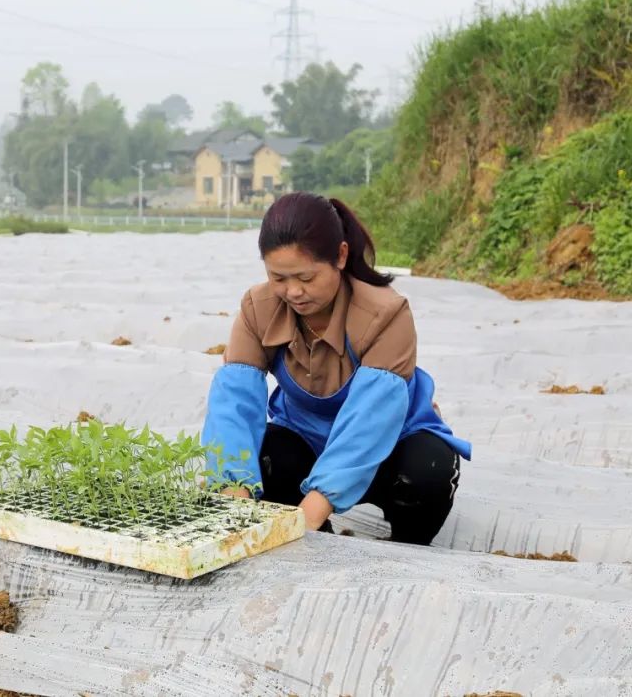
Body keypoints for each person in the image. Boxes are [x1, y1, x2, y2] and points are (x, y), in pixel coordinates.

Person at [202, 192, 471, 545]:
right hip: (307, 441)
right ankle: (320, 548)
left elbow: (370, 422)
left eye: (306, 278)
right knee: (267, 456)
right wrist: (234, 496)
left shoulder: (385, 314)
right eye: (278, 278)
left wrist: (306, 518)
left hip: (391, 445)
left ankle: (406, 556)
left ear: (340, 257)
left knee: (428, 470)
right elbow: (233, 402)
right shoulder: (259, 308)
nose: (293, 292)